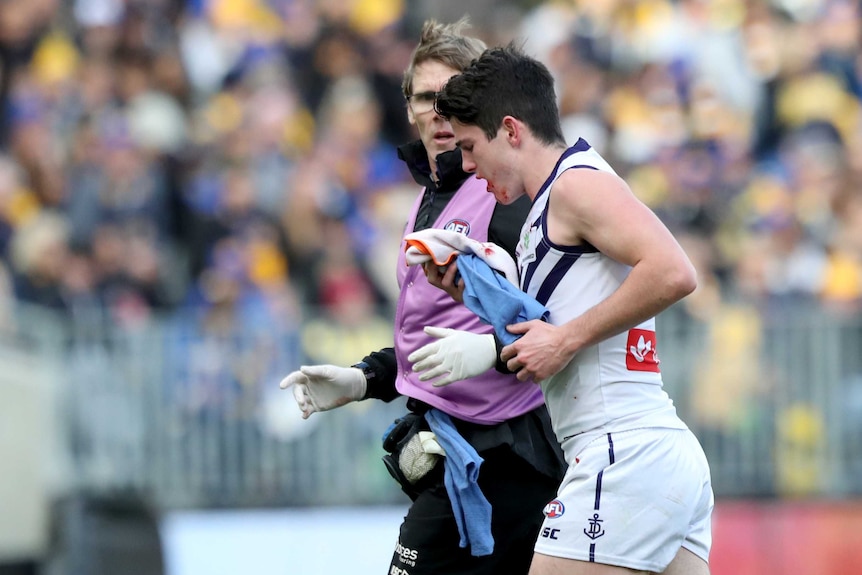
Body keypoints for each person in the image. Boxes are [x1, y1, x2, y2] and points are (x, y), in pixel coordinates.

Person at [279, 21, 567, 575]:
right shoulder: (429, 197)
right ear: (407, 106)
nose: (440, 111)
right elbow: (434, 337)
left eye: (453, 96)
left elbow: (553, 321)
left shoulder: (505, 194)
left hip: (506, 449)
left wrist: (490, 350)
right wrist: (364, 379)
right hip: (460, 447)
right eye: (426, 97)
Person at [415, 44, 714, 575]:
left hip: (621, 452)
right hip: (652, 456)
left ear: (510, 130)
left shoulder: (576, 184)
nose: (464, 165)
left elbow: (674, 272)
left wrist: (567, 338)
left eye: (469, 146)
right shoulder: (549, 206)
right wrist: (468, 295)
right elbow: (554, 324)